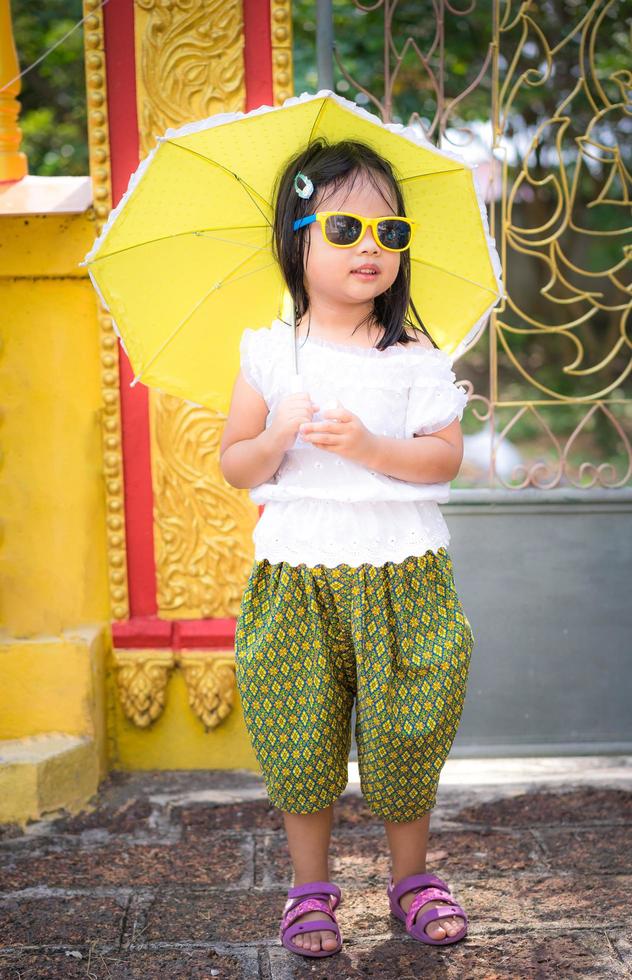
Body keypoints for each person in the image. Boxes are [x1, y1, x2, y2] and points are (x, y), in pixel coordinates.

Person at [220, 138, 475, 959]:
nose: (371, 246)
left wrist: (369, 446)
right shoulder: (269, 353)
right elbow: (235, 463)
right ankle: (309, 889)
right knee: (300, 733)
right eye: (345, 228)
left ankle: (411, 878)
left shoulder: (414, 359)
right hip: (297, 576)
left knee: (409, 729)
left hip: (404, 572)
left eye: (390, 232)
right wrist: (279, 434)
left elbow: (441, 458)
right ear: (297, 238)